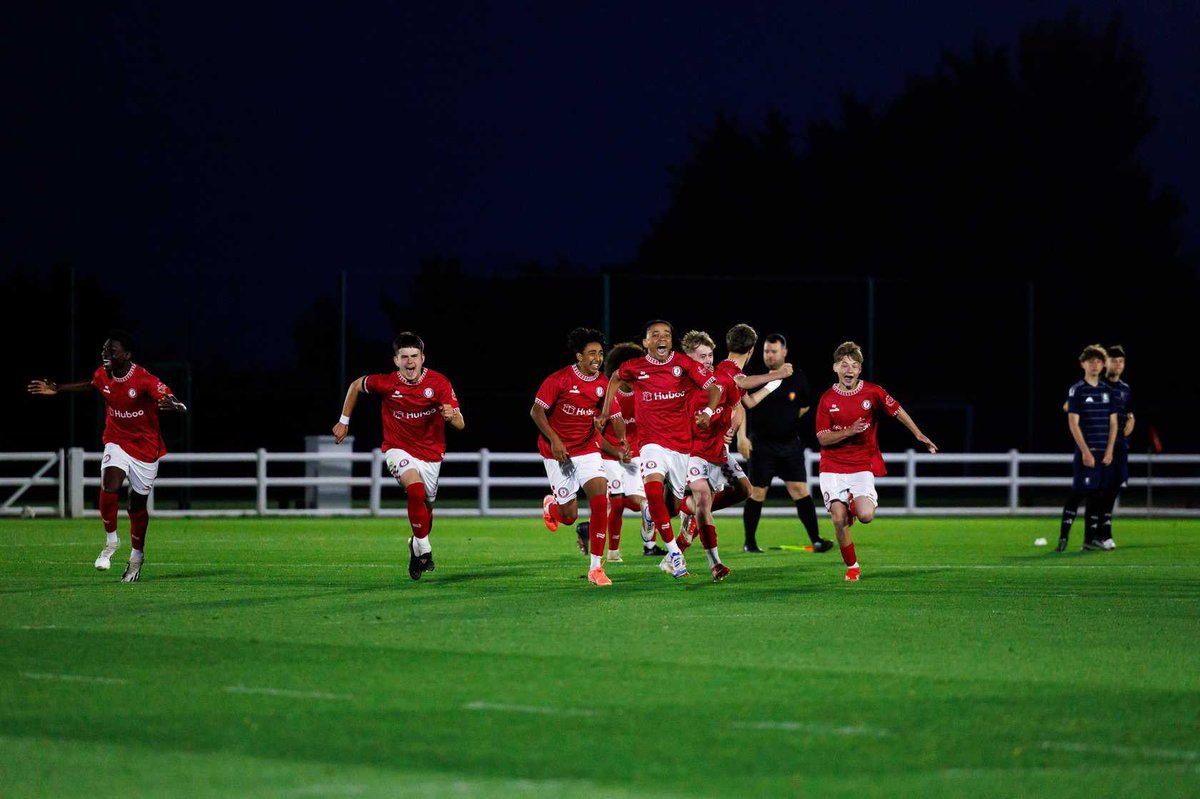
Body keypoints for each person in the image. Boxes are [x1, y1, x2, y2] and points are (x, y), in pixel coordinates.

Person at [27, 330, 187, 583]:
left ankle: (136, 557)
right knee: (109, 486)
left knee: (136, 506)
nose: (106, 354)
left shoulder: (143, 379)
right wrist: (59, 388)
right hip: (116, 441)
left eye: (112, 351)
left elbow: (168, 396)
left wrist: (175, 404)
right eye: (104, 350)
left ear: (127, 355)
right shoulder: (103, 375)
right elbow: (92, 385)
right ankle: (111, 542)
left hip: (145, 448)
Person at [333, 332, 464, 580]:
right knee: (414, 490)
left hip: (431, 455)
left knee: (426, 510)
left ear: (423, 358)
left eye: (414, 356)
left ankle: (416, 548)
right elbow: (355, 386)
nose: (409, 361)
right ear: (396, 360)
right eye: (404, 356)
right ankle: (425, 548)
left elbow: (461, 424)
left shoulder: (440, 384)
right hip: (397, 449)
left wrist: (451, 416)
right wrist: (343, 421)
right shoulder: (386, 383)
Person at [602, 319, 721, 579]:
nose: (661, 338)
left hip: (680, 445)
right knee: (653, 490)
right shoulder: (635, 367)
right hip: (651, 443)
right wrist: (605, 412)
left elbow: (715, 386)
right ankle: (675, 554)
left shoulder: (683, 364)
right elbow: (613, 378)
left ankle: (651, 516)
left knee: (673, 508)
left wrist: (709, 412)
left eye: (665, 334)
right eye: (654, 335)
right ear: (646, 343)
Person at [814, 341, 937, 581]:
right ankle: (853, 567)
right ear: (835, 368)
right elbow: (823, 438)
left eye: (854, 365)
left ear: (860, 370)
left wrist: (918, 433)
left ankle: (852, 504)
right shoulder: (827, 399)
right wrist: (849, 431)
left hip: (861, 464)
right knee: (839, 520)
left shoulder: (872, 392)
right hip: (832, 467)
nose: (849, 369)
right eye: (843, 364)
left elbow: (897, 409)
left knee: (867, 516)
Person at [532, 328, 623, 587]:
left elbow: (614, 416)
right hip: (556, 451)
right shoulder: (559, 379)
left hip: (587, 447)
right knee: (569, 516)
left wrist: (620, 444)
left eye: (600, 353)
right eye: (591, 353)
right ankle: (551, 506)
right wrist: (555, 439)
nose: (597, 358)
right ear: (579, 356)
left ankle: (596, 568)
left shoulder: (603, 383)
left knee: (599, 496)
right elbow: (536, 411)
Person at [736, 333, 834, 554]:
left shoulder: (797, 377)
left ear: (784, 352)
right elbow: (740, 405)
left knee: (800, 490)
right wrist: (742, 437)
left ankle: (816, 540)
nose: (769, 355)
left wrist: (785, 420)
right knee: (757, 493)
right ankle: (749, 543)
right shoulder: (755, 377)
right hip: (761, 446)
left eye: (774, 351)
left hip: (790, 445)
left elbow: (806, 405)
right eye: (766, 351)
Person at [598, 341, 661, 562]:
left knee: (637, 502)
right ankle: (613, 553)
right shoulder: (607, 394)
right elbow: (597, 427)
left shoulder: (644, 393)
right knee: (616, 503)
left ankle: (648, 519)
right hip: (609, 455)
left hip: (634, 455)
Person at [1056, 344, 1118, 553]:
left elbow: (1113, 423)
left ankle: (1089, 540)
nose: (1095, 365)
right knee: (1079, 492)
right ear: (1083, 364)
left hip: (1103, 453)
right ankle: (1063, 536)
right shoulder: (1077, 390)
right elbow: (1073, 423)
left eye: (1099, 361)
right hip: (1087, 452)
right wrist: (1085, 451)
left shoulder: (1107, 391)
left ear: (1103, 365)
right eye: (1091, 361)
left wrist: (1110, 450)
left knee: (1098, 495)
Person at [1100, 345, 1134, 547]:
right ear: (1106, 363)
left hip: (1121, 446)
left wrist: (1131, 421)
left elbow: (1129, 413)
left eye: (1121, 361)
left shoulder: (1125, 389)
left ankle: (1102, 531)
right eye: (1114, 360)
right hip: (1101, 445)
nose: (1118, 365)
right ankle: (1101, 533)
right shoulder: (1098, 386)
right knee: (1100, 490)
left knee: (1115, 487)